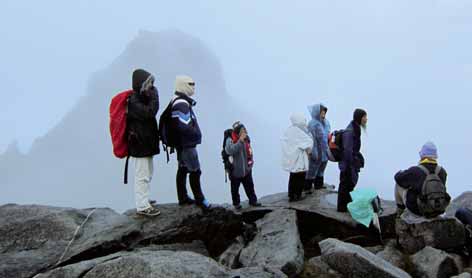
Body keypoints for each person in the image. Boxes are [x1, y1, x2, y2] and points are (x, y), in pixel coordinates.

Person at [171, 75, 211, 210]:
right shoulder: (181, 103)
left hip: (182, 144)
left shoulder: (178, 101)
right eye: (190, 83)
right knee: (195, 170)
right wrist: (195, 133)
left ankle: (182, 197)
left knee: (182, 168)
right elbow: (183, 125)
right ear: (182, 85)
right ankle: (200, 200)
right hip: (187, 144)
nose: (193, 86)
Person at [127, 69, 161, 216]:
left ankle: (145, 199)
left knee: (148, 172)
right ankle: (142, 206)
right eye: (149, 84)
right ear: (141, 84)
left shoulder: (140, 98)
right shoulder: (134, 101)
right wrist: (155, 97)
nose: (151, 87)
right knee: (142, 175)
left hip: (145, 143)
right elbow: (149, 112)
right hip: (139, 144)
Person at [394, 142, 449, 217]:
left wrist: (399, 172)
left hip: (418, 210)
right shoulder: (442, 172)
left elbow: (398, 178)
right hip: (438, 208)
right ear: (435, 156)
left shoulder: (415, 171)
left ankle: (399, 213)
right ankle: (434, 211)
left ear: (422, 155)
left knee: (398, 185)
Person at [225, 121, 261, 209]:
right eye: (242, 130)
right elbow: (230, 150)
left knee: (250, 186)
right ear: (237, 132)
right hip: (235, 171)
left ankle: (253, 201)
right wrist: (240, 141)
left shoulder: (246, 139)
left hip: (246, 170)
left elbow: (250, 151)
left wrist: (250, 164)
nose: (244, 132)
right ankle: (236, 204)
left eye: (245, 130)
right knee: (235, 189)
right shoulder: (230, 140)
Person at [337, 109, 367, 212]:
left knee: (349, 185)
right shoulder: (350, 131)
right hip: (347, 164)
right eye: (364, 117)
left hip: (350, 163)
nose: (366, 119)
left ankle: (346, 206)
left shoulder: (356, 128)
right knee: (345, 184)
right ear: (359, 117)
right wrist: (351, 165)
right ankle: (341, 208)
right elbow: (347, 150)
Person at [281, 113, 313, 202]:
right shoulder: (298, 131)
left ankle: (291, 195)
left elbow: (285, 142)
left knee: (293, 177)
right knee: (300, 176)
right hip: (299, 159)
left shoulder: (289, 130)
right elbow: (308, 142)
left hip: (291, 159)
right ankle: (298, 195)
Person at [305, 103, 331, 194]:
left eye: (324, 111)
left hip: (325, 151)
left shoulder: (326, 122)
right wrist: (312, 151)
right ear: (317, 112)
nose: (323, 113)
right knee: (312, 169)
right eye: (321, 111)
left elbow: (328, 136)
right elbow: (310, 137)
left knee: (321, 168)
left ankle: (318, 185)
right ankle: (307, 187)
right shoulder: (313, 124)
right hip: (316, 150)